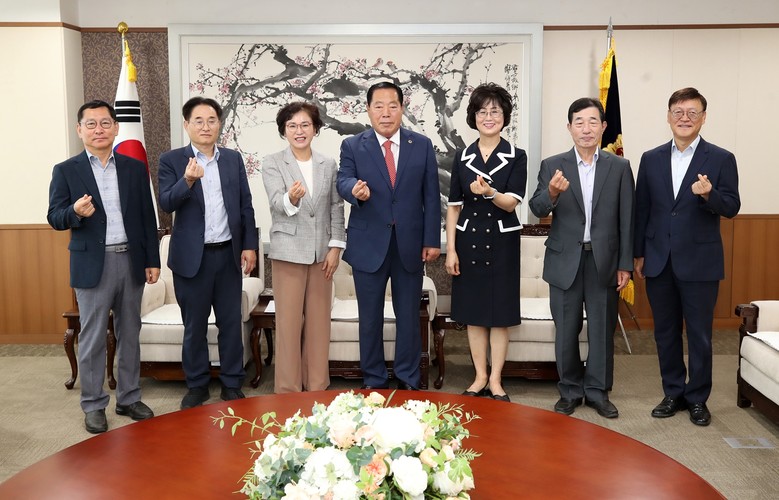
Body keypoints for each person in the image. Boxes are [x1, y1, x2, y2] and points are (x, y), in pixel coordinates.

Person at [47, 100, 161, 433]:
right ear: (79, 129)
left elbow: (146, 217)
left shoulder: (133, 168)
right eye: (91, 124)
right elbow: (55, 217)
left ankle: (129, 397)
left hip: (131, 260)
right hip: (92, 264)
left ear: (116, 127)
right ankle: (94, 404)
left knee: (130, 333)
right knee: (94, 337)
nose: (99, 129)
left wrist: (152, 260)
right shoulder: (66, 170)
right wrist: (74, 213)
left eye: (105, 123)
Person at [634, 87, 740, 426]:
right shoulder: (651, 158)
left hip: (700, 263)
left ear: (703, 118)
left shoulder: (721, 158)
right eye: (678, 112)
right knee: (664, 332)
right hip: (658, 259)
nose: (684, 118)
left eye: (692, 112)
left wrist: (709, 195)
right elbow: (642, 209)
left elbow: (732, 207)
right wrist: (638, 254)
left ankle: (697, 399)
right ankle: (673, 392)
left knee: (699, 335)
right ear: (668, 117)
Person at [529, 97, 634, 419]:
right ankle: (570, 390)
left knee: (602, 330)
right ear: (569, 127)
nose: (586, 129)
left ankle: (598, 391)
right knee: (566, 329)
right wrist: (553, 192)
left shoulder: (619, 167)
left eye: (592, 122)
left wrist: (625, 264)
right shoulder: (553, 165)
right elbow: (537, 207)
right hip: (565, 261)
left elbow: (627, 219)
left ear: (603, 127)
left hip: (604, 261)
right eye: (579, 122)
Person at [336, 81, 441, 390]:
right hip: (368, 244)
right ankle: (374, 378)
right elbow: (343, 180)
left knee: (408, 315)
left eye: (392, 106)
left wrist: (431, 240)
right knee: (370, 317)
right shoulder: (353, 145)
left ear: (402, 109)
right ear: (368, 110)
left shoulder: (421, 144)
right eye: (378, 106)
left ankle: (408, 377)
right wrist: (354, 190)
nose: (386, 113)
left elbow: (431, 196)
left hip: (410, 244)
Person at [158, 96, 258, 409]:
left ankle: (232, 383)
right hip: (191, 259)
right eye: (198, 121)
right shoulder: (171, 160)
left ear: (219, 124)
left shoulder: (232, 159)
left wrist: (250, 245)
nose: (205, 126)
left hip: (227, 255)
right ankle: (197, 385)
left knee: (230, 324)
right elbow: (166, 203)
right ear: (186, 125)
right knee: (195, 327)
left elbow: (245, 205)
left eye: (211, 120)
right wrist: (187, 180)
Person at [445, 83, 527, 402]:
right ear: (473, 117)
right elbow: (454, 207)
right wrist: (451, 250)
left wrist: (490, 192)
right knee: (474, 314)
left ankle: (496, 380)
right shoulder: (462, 156)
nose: (488, 117)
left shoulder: (516, 156)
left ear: (504, 116)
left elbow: (511, 203)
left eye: (495, 111)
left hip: (502, 244)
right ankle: (479, 376)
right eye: (482, 111)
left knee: (499, 316)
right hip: (469, 243)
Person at [261, 101, 346, 393]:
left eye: (305, 125)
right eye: (292, 126)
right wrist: (292, 198)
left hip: (323, 254)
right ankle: (287, 391)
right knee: (288, 324)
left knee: (319, 325)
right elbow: (276, 202)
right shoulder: (273, 162)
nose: (299, 131)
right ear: (284, 131)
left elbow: (336, 207)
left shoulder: (328, 164)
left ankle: (317, 387)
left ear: (315, 129)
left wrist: (335, 247)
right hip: (288, 252)